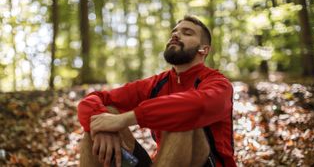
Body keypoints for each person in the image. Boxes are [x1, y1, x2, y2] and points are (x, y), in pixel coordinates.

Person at [77, 15, 236, 167]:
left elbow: (197, 105)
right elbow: (93, 99)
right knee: (101, 117)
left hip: (206, 163)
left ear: (204, 49)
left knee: (183, 117)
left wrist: (126, 119)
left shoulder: (219, 84)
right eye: (174, 32)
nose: (175, 35)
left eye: (186, 33)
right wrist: (103, 128)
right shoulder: (156, 83)